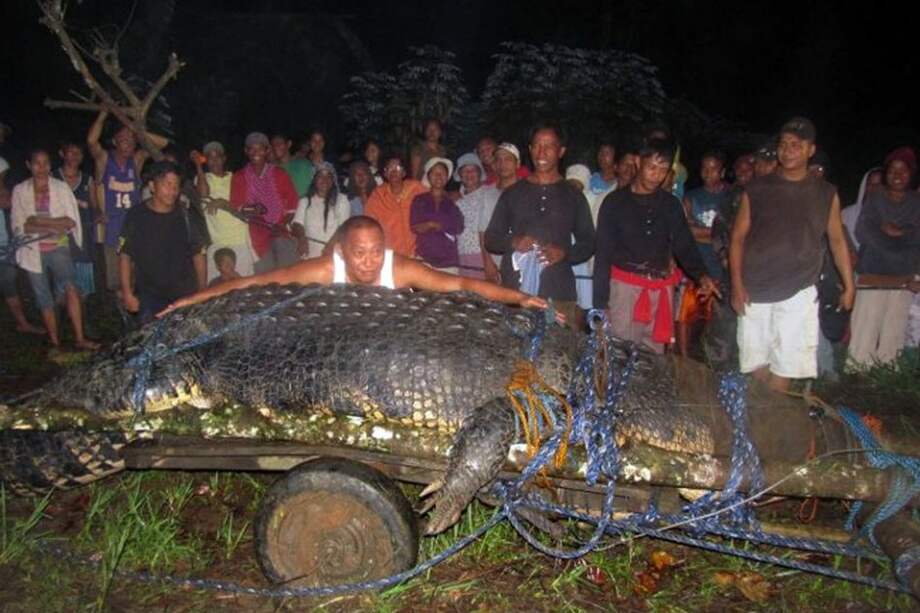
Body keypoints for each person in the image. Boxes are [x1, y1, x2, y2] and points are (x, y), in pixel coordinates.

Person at [159, 216, 555, 319]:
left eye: (376, 251)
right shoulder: (323, 269)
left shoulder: (399, 269)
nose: (369, 262)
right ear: (343, 253)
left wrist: (520, 298)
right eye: (359, 253)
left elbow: (461, 286)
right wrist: (190, 301)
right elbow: (257, 281)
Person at [730, 117, 854, 392]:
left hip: (798, 289)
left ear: (811, 150)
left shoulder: (825, 193)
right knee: (756, 362)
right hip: (755, 287)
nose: (788, 151)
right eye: (784, 145)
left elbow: (837, 239)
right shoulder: (758, 188)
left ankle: (773, 422)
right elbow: (737, 237)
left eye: (797, 145)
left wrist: (849, 285)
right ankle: (762, 416)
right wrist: (737, 284)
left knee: (786, 362)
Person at [593, 140, 719, 353]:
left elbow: (684, 245)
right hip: (624, 290)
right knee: (620, 354)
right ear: (637, 162)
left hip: (659, 290)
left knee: (653, 358)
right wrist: (600, 302)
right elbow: (603, 254)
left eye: (663, 170)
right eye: (652, 167)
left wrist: (702, 276)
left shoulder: (670, 205)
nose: (657, 175)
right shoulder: (614, 203)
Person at [485, 122, 595, 328]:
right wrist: (514, 241)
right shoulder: (513, 193)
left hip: (558, 292)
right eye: (536, 145)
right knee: (516, 355)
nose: (541, 152)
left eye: (549, 146)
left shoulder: (573, 196)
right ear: (529, 149)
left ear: (561, 151)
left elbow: (588, 242)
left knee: (556, 355)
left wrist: (564, 253)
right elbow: (491, 239)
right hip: (516, 293)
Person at [11, 149, 98, 352]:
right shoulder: (20, 190)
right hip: (32, 250)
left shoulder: (60, 188)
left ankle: (80, 338)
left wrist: (38, 221)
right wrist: (53, 224)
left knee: (71, 288)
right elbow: (20, 226)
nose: (41, 168)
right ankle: (55, 342)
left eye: (45, 163)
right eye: (37, 163)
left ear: (51, 165)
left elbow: (70, 221)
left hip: (59, 246)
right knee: (43, 296)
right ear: (28, 165)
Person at [847, 147, 920, 368]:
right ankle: (857, 379)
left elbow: (918, 235)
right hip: (873, 275)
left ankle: (885, 382)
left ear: (911, 174)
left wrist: (899, 232)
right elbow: (863, 232)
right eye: (893, 170)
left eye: (903, 170)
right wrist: (897, 238)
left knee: (893, 334)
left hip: (904, 280)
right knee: (864, 332)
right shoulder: (876, 196)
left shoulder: (917, 203)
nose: (897, 175)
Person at [87, 111, 167, 298]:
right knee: (117, 281)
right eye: (122, 138)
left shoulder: (136, 161)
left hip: (134, 227)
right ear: (114, 141)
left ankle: (134, 314)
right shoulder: (105, 160)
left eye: (131, 139)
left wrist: (137, 130)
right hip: (112, 227)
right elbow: (91, 141)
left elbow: (162, 143)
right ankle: (124, 315)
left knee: (134, 276)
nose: (127, 141)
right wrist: (102, 114)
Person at [119, 161, 208, 324]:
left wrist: (202, 291)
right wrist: (127, 292)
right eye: (167, 184)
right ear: (152, 186)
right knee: (150, 343)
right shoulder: (136, 215)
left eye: (176, 185)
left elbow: (199, 253)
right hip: (149, 296)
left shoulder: (187, 215)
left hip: (184, 295)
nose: (173, 190)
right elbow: (125, 254)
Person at [676, 151, 731, 356]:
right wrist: (716, 234)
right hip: (695, 266)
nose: (708, 173)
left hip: (720, 269)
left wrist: (703, 233)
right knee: (685, 315)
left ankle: (711, 361)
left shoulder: (730, 197)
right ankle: (683, 358)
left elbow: (732, 234)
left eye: (713, 168)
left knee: (716, 320)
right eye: (704, 169)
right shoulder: (692, 196)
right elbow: (686, 230)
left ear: (722, 171)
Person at [230, 132, 299, 274]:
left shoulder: (279, 174)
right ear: (246, 151)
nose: (256, 153)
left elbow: (292, 206)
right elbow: (238, 208)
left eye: (260, 148)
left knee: (289, 277)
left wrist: (280, 224)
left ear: (267, 151)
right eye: (252, 149)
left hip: (281, 233)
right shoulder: (239, 177)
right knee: (265, 280)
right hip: (257, 237)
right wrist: (255, 210)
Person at [193, 141, 254, 281]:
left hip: (241, 240)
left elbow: (247, 209)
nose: (214, 161)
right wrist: (198, 165)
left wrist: (223, 203)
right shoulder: (203, 178)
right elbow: (203, 194)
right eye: (209, 157)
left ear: (224, 158)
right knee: (216, 291)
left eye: (217, 156)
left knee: (244, 287)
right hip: (218, 243)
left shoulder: (237, 178)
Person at [56, 141, 98, 332]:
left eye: (78, 153)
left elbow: (95, 206)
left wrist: (97, 213)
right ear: (62, 154)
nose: (74, 156)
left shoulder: (88, 179)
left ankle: (83, 319)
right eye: (70, 152)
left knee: (84, 282)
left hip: (84, 236)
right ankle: (65, 319)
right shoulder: (52, 177)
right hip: (59, 236)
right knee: (61, 282)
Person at [1, 154, 45, 334]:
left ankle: (22, 323)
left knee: (8, 279)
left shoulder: (2, 162)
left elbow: (4, 199)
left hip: (3, 240)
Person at [365, 154, 426, 258]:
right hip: (391, 255)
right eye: (389, 168)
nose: (393, 171)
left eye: (397, 168)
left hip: (418, 253)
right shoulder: (378, 195)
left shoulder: (416, 188)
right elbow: (369, 223)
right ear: (385, 173)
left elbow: (434, 200)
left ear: (404, 172)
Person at [410, 158, 463, 274]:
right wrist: (433, 224)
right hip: (424, 260)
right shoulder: (419, 200)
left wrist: (431, 225)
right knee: (423, 292)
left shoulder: (453, 200)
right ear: (428, 177)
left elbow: (459, 226)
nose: (439, 176)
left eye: (442, 173)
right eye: (435, 173)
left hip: (449, 261)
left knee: (450, 292)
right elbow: (415, 227)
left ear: (447, 177)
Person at [477, 143, 520, 284]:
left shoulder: (528, 191)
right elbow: (483, 230)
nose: (503, 164)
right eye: (499, 160)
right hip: (495, 263)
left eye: (507, 159)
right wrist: (488, 263)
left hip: (521, 262)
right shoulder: (487, 193)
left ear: (517, 163)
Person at [293, 162, 350, 258]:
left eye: (329, 176)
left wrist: (330, 246)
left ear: (333, 180)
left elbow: (343, 227)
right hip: (310, 256)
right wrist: (301, 237)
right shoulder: (305, 201)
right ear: (314, 179)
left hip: (334, 254)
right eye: (320, 176)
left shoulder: (342, 200)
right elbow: (297, 223)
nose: (325, 180)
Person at [564, 164, 598, 314]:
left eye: (578, 186)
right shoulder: (557, 197)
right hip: (559, 256)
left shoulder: (590, 201)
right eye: (571, 184)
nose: (574, 189)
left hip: (580, 256)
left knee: (582, 300)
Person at [453, 153, 490, 279]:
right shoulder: (457, 203)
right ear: (460, 176)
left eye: (473, 170)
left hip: (485, 257)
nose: (469, 174)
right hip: (462, 258)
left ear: (480, 173)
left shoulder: (490, 194)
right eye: (465, 171)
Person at [842, 167, 883, 250]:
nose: (874, 188)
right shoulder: (847, 214)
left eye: (878, 184)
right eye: (870, 184)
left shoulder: (894, 215)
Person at [271, 132, 315, 198]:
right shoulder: (272, 170)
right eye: (273, 144)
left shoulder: (303, 164)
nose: (276, 146)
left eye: (279, 143)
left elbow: (305, 194)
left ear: (288, 144)